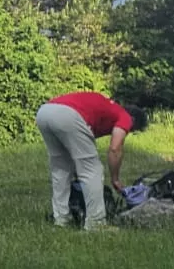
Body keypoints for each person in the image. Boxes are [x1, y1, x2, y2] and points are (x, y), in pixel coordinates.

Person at [36, 91, 146, 230]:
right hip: (68, 115)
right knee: (92, 170)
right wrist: (115, 179)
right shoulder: (125, 116)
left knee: (61, 170)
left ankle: (61, 219)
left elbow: (75, 149)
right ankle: (96, 223)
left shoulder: (106, 110)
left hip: (44, 112)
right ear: (134, 121)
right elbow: (115, 148)